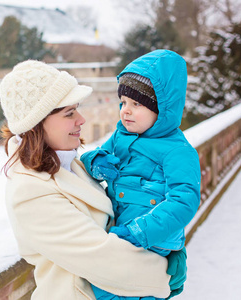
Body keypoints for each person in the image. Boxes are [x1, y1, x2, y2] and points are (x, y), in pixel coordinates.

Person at [0, 60, 187, 300]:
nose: (81, 119)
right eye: (69, 113)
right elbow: (105, 259)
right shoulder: (29, 191)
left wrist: (169, 244)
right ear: (37, 123)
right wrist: (167, 273)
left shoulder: (70, 164)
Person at [80, 50, 201, 300]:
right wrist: (96, 161)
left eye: (137, 104)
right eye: (123, 102)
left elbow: (184, 200)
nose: (126, 111)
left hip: (152, 243)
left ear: (162, 109)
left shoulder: (177, 151)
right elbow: (91, 156)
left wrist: (141, 231)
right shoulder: (120, 136)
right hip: (118, 235)